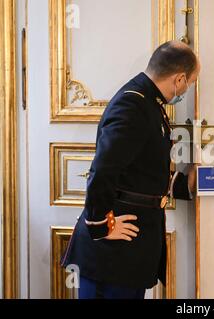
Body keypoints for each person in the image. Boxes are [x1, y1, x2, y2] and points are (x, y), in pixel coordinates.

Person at [61, 41, 200, 299]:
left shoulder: (148, 102)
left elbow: (142, 168)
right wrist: (102, 225)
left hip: (131, 252)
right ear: (179, 79)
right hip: (111, 254)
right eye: (190, 82)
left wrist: (186, 181)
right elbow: (103, 170)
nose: (188, 88)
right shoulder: (133, 105)